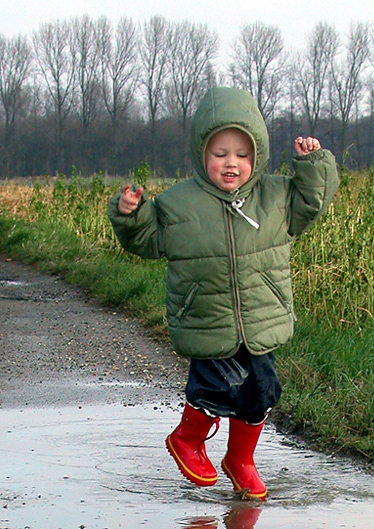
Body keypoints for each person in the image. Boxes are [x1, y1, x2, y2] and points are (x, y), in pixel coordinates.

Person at [108, 86, 339, 499]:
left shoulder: (275, 197)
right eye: (220, 154)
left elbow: (312, 202)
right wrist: (131, 215)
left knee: (261, 391)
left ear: (258, 155)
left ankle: (240, 460)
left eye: (242, 154)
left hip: (258, 318)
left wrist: (311, 164)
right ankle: (187, 439)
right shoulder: (180, 204)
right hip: (208, 319)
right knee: (214, 386)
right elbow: (147, 239)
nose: (231, 163)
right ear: (202, 155)